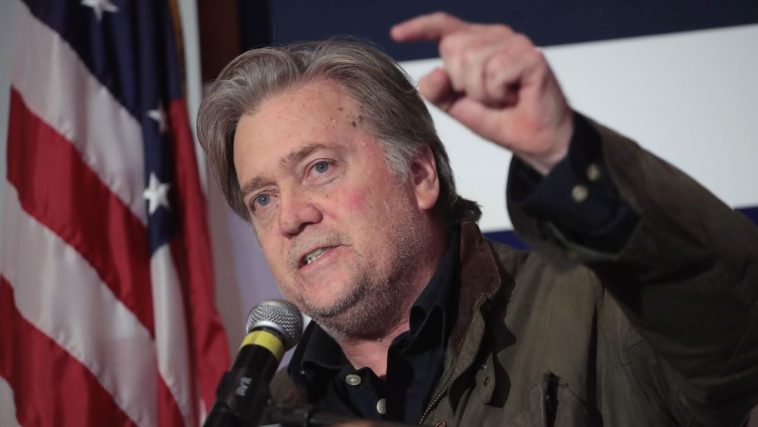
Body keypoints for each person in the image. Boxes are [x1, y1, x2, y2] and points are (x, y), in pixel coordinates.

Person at [197, 12, 758, 427]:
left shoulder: (597, 311)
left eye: (319, 168)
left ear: (420, 175)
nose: (291, 217)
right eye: (262, 199)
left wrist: (567, 155)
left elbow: (739, 331)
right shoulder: (268, 411)